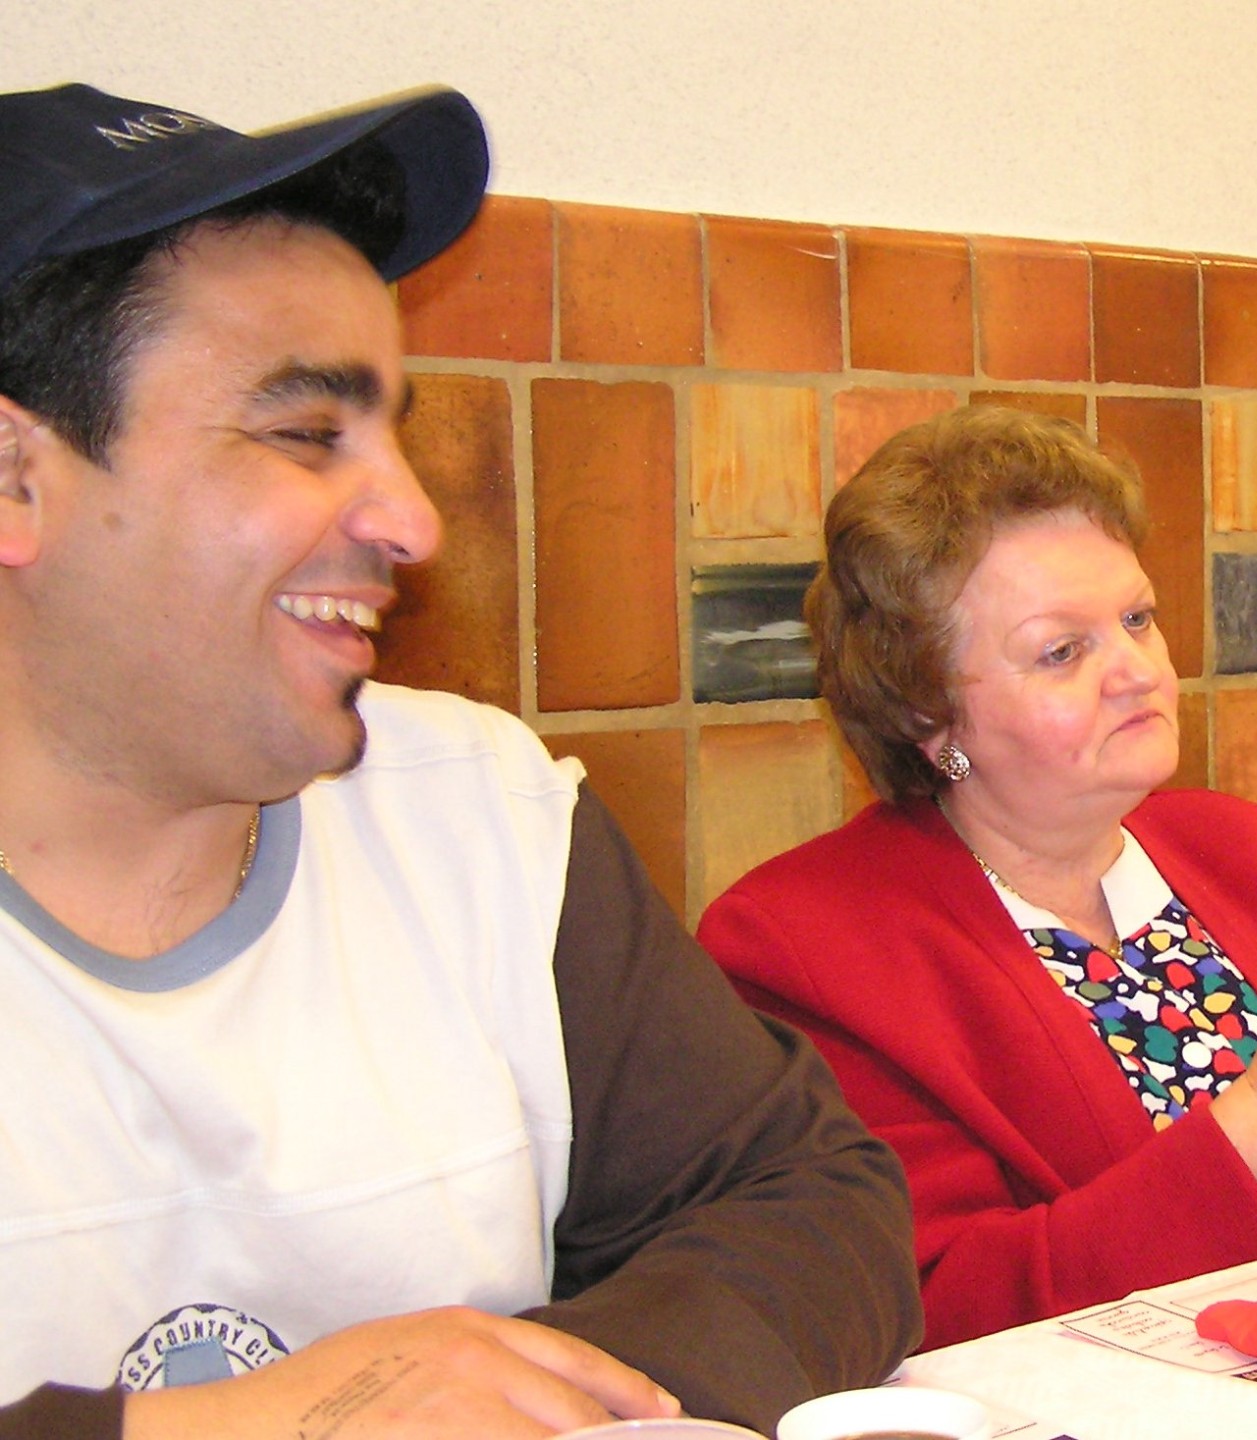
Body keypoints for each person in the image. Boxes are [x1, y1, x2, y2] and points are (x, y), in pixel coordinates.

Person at [0, 83, 918, 1438]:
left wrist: (500, 1400)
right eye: (305, 435)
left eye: (392, 435)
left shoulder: (480, 814)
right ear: (15, 478)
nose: (415, 521)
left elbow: (806, 1203)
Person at [697, 405, 1257, 1348]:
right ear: (926, 713)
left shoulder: (1242, 849)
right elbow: (938, 1306)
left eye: (1136, 619)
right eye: (1062, 650)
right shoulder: (804, 946)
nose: (1136, 670)